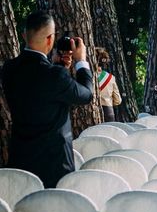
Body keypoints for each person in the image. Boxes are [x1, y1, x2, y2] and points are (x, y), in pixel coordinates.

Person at [1, 10, 94, 188]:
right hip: (55, 165)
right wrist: (81, 61)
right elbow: (86, 95)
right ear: (50, 39)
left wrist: (57, 66)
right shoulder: (55, 76)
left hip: (20, 161)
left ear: (23, 35)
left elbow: (36, 89)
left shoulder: (9, 69)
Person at [95, 47, 122, 122]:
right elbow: (118, 100)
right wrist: (107, 101)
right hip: (108, 112)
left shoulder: (88, 76)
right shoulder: (111, 78)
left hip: (91, 112)